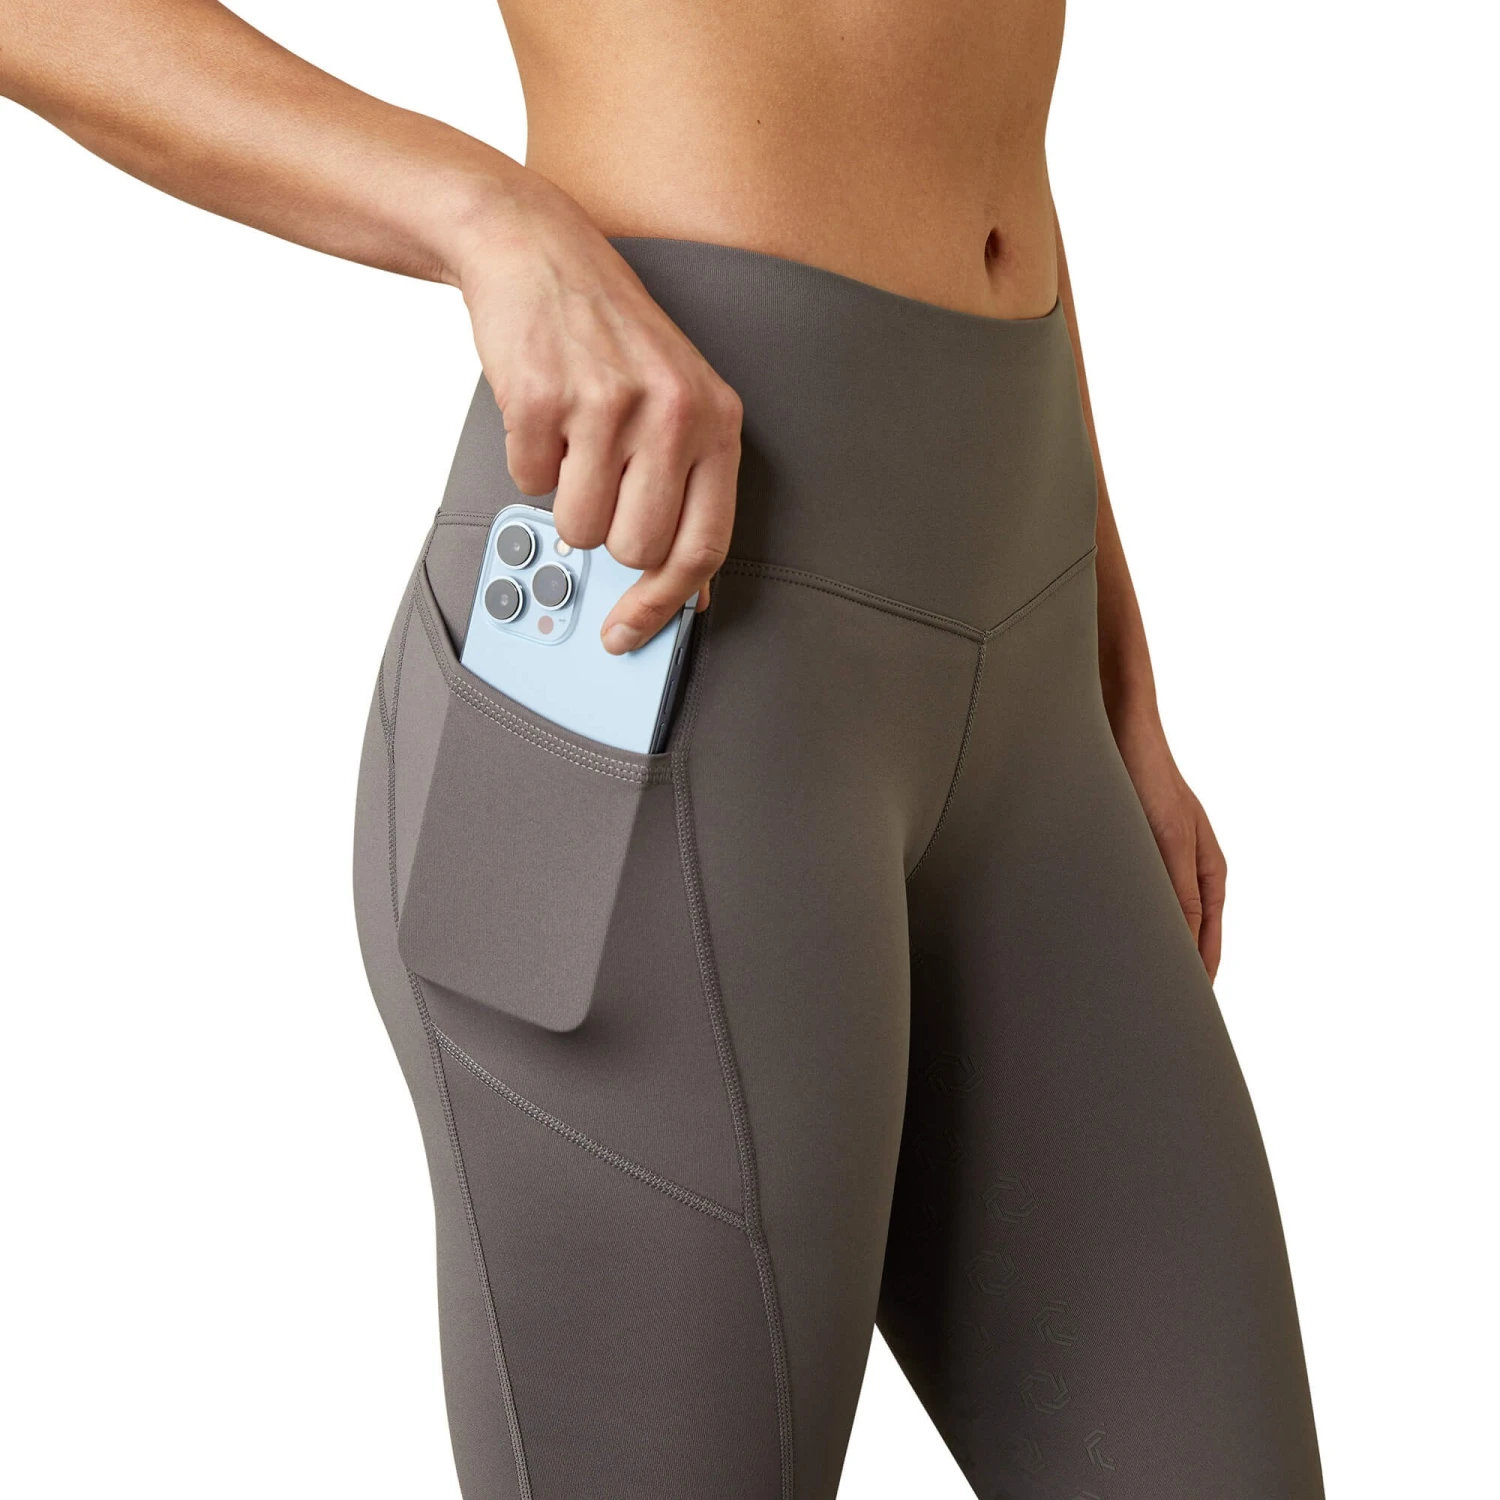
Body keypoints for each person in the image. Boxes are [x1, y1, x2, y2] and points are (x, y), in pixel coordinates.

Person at [2, 4, 1325, 1497]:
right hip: (655, 653)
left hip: (1029, 677)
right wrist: (482, 213)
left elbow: (970, 131)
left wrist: (1113, 668)